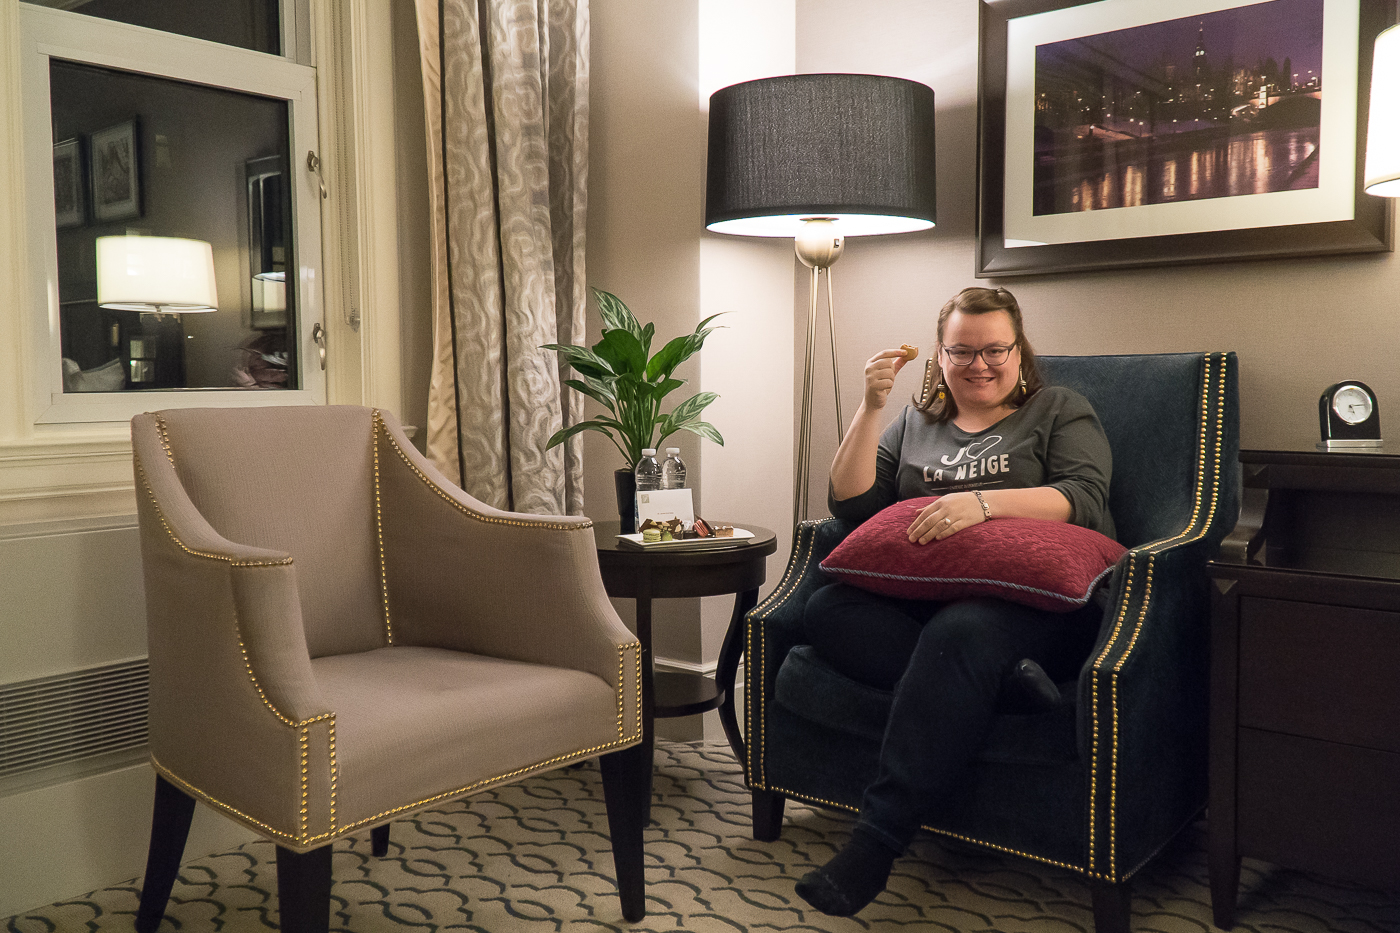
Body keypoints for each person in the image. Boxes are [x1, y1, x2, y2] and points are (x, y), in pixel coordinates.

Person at [794, 286, 1115, 916]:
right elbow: (851, 506)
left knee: (962, 633)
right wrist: (870, 405)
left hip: (1031, 607)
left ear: (1020, 351)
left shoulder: (1058, 409)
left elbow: (1085, 495)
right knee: (826, 610)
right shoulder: (917, 424)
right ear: (939, 356)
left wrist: (983, 505)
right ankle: (996, 684)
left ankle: (875, 843)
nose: (980, 364)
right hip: (929, 599)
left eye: (996, 349)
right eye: (962, 352)